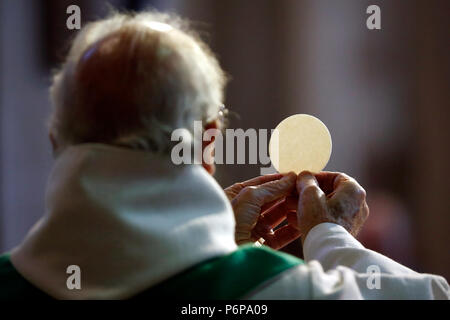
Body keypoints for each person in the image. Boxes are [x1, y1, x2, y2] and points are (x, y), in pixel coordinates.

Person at [0, 11, 448, 300]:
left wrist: (216, 245)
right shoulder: (277, 291)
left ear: (56, 140)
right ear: (208, 143)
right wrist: (331, 238)